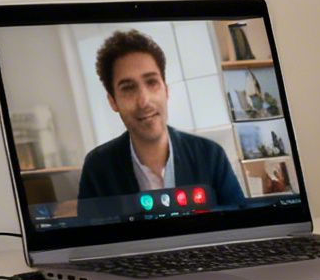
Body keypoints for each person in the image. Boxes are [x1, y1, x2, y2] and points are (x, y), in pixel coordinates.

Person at [77, 29, 246, 214]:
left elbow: (241, 225)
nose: (144, 101)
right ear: (113, 101)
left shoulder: (211, 156)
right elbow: (93, 238)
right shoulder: (97, 168)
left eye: (151, 82)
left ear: (165, 90)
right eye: (128, 88)